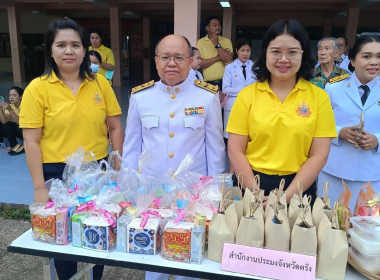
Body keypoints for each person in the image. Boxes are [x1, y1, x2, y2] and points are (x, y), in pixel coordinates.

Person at [20, 18, 123, 280]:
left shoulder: (101, 84)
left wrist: (117, 164)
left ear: (84, 50)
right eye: (61, 45)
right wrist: (40, 188)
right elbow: (31, 141)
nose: (69, 51)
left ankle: (95, 277)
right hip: (56, 173)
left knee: (98, 230)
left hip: (98, 170)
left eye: (75, 45)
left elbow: (114, 126)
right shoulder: (37, 89)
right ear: (50, 50)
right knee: (63, 237)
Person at [122, 34, 225, 280]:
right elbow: (131, 147)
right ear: (156, 61)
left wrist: (215, 195)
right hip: (150, 194)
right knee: (152, 261)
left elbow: (215, 150)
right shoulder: (140, 96)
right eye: (165, 57)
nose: (171, 63)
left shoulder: (207, 97)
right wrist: (127, 190)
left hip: (192, 196)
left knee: (191, 260)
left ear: (190, 62)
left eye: (179, 58)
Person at [226, 19, 337, 206]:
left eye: (292, 52)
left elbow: (319, 155)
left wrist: (286, 197)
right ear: (265, 54)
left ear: (303, 54)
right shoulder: (247, 95)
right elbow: (235, 149)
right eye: (276, 51)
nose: (284, 59)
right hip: (251, 185)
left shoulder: (319, 97)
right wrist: (255, 193)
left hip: (299, 187)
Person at [319, 35, 380, 210]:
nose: (374, 62)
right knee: (330, 224)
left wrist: (377, 139)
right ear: (352, 60)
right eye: (367, 56)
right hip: (334, 171)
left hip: (372, 174)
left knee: (366, 227)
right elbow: (318, 124)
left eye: (379, 57)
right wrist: (339, 132)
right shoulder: (333, 88)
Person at [222, 38, 257, 140]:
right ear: (237, 51)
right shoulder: (230, 67)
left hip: (250, 104)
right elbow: (225, 89)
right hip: (233, 104)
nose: (245, 53)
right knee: (230, 134)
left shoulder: (255, 67)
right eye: (242, 50)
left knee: (247, 133)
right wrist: (246, 91)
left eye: (248, 50)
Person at [196, 16, 233, 89]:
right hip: (208, 83)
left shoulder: (226, 41)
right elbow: (200, 63)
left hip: (225, 82)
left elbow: (229, 60)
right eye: (215, 25)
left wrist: (217, 44)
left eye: (219, 25)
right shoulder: (201, 42)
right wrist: (219, 57)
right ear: (207, 28)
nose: (218, 27)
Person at [0, 86, 24, 155]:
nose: (11, 97)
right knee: (6, 126)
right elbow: (4, 121)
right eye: (10, 95)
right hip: (19, 129)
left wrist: (10, 110)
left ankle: (25, 146)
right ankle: (13, 145)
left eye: (14, 95)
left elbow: (21, 123)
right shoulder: (11, 105)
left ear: (20, 96)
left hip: (27, 130)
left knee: (19, 128)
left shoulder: (25, 105)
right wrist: (0, 109)